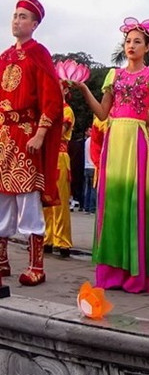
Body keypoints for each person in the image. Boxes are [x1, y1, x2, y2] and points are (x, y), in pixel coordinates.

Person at [74, 17, 149, 293]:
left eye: (138, 41)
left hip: (137, 139)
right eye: (128, 41)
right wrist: (83, 90)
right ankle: (112, 273)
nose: (131, 45)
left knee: (136, 204)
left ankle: (136, 274)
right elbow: (103, 113)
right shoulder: (114, 75)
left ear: (147, 47)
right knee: (113, 203)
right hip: (115, 140)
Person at [0, 0, 63, 286]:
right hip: (3, 137)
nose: (17, 20)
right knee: (2, 200)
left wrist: (40, 132)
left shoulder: (40, 54)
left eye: (24, 16)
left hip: (27, 135)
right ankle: (2, 261)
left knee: (27, 199)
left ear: (35, 24)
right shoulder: (4, 57)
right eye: (15, 15)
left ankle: (36, 265)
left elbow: (52, 98)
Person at [43, 81, 75, 257]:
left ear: (66, 89)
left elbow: (59, 132)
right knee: (46, 201)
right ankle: (47, 238)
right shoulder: (47, 109)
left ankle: (62, 241)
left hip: (60, 156)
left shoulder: (66, 110)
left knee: (60, 201)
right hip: (47, 156)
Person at [83, 127, 96, 213]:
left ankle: (86, 206)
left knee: (87, 188)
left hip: (86, 166)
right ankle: (92, 207)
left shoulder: (87, 141)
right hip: (93, 166)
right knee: (93, 189)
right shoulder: (94, 140)